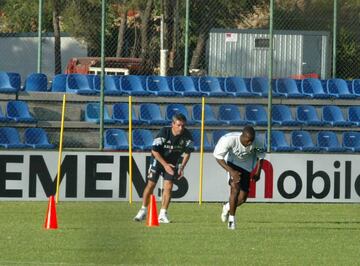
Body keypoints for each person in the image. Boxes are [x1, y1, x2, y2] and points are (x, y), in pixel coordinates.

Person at [133, 113, 194, 223]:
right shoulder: (164, 132)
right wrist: (165, 165)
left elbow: (187, 153)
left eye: (183, 126)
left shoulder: (187, 136)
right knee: (151, 184)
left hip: (172, 164)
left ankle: (162, 214)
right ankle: (143, 210)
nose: (181, 128)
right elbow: (154, 151)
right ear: (173, 124)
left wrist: (181, 167)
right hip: (158, 160)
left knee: (169, 187)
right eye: (179, 125)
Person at [213, 126, 265, 230]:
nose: (250, 143)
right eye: (248, 140)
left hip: (247, 167)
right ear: (243, 136)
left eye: (252, 140)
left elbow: (260, 156)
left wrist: (258, 172)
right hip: (232, 164)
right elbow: (218, 156)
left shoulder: (258, 141)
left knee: (242, 198)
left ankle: (227, 207)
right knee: (235, 189)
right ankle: (232, 221)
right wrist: (231, 171)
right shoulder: (229, 139)